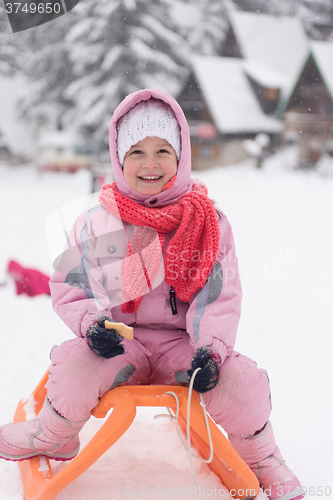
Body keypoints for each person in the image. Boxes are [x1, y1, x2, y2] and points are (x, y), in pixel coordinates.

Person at [0, 89, 304, 500]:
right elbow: (72, 282)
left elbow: (220, 294)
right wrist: (92, 328)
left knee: (243, 381)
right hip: (120, 343)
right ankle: (55, 434)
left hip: (185, 348)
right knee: (73, 365)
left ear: (181, 158)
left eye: (163, 150)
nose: (150, 163)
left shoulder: (208, 222)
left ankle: (262, 457)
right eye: (137, 152)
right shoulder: (97, 221)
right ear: (119, 158)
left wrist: (211, 351)